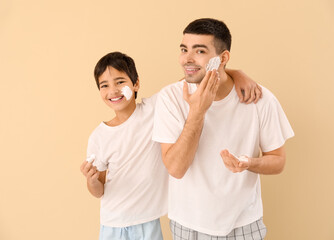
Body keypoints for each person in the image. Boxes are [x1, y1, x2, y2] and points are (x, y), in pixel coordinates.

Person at [80, 51, 261, 240]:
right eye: (104, 85)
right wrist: (92, 181)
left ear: (136, 84)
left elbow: (195, 77)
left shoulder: (155, 108)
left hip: (148, 221)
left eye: (119, 82)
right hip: (113, 224)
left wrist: (238, 74)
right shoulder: (99, 136)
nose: (113, 91)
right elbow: (98, 190)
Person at [152, 18, 294, 240]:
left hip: (245, 224)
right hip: (189, 226)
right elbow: (176, 169)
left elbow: (278, 160)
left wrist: (249, 163)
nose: (187, 59)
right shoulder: (170, 98)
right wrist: (197, 112)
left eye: (199, 51)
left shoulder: (260, 99)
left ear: (223, 57)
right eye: (183, 49)